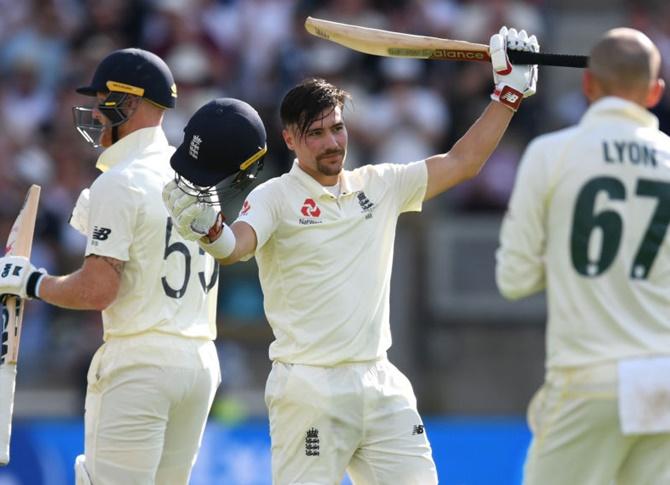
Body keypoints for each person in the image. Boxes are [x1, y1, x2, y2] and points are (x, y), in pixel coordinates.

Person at [162, 27, 539, 484]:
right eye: (315, 134)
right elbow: (235, 246)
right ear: (290, 140)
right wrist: (212, 232)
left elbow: (463, 163)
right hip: (309, 388)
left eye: (336, 128)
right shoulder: (274, 197)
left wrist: (508, 94)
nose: (331, 143)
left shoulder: (379, 185)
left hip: (380, 382)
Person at [0, 48, 265, 484]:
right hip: (198, 364)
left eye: (103, 100)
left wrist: (31, 282)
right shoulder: (195, 179)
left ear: (130, 102)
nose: (95, 114)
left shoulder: (118, 181)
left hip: (141, 363)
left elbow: (97, 290)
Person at [495, 28, 670, 485]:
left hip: (586, 378)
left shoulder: (551, 154)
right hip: (664, 380)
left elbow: (514, 279)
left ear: (588, 85)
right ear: (655, 92)